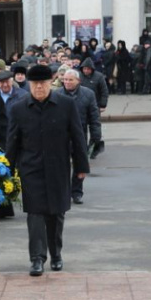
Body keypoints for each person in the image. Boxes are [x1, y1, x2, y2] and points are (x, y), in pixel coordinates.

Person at [6, 64, 89, 276]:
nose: (39, 88)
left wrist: (81, 167)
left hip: (58, 168)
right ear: (29, 85)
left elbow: (78, 137)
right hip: (30, 169)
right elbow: (12, 142)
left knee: (56, 214)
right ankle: (37, 258)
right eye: (35, 84)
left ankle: (56, 254)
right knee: (35, 215)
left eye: (43, 84)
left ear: (51, 83)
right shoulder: (19, 108)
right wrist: (8, 170)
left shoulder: (66, 105)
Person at [55, 69, 101, 204]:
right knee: (61, 165)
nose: (67, 82)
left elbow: (94, 117)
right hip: (60, 137)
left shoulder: (88, 94)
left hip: (79, 135)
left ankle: (76, 192)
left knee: (79, 164)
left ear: (78, 81)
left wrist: (96, 135)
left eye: (70, 80)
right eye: (65, 80)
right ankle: (62, 192)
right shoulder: (56, 94)